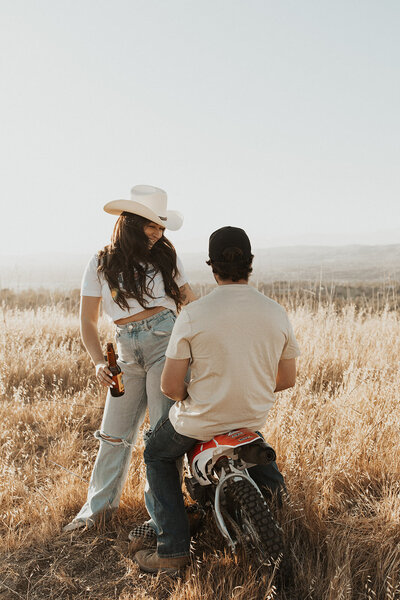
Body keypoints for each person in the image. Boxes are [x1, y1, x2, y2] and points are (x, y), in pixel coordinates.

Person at [134, 226, 301, 574]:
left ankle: (172, 551)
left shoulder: (194, 314)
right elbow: (286, 379)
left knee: (157, 454)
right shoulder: (276, 312)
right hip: (250, 419)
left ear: (212, 267)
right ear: (250, 264)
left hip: (201, 420)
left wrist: (192, 395)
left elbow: (169, 386)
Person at [63, 185, 196, 532]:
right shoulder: (101, 261)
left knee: (161, 435)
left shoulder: (167, 257)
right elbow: (87, 321)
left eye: (162, 227)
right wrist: (97, 362)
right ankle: (96, 514)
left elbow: (190, 304)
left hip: (165, 344)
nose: (158, 233)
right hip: (124, 352)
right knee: (113, 435)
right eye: (152, 225)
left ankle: (161, 519)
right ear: (132, 222)